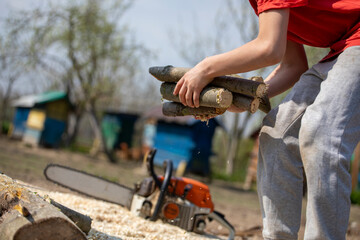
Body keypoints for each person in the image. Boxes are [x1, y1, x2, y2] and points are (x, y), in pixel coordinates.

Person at [173, 1, 360, 239]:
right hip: (342, 48)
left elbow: (269, 49)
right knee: (276, 134)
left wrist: (205, 68)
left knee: (322, 135)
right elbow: (293, 65)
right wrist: (245, 98)